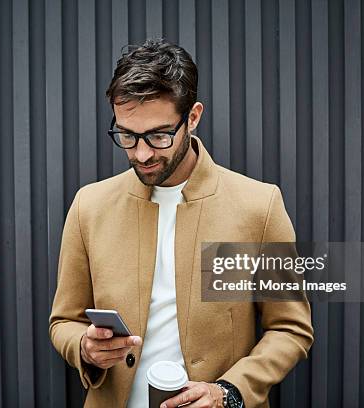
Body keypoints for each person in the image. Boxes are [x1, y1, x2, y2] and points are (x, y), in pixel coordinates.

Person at [49, 38, 313, 408]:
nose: (141, 153)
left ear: (193, 117)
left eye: (158, 135)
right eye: (126, 135)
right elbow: (63, 322)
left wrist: (229, 392)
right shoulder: (88, 206)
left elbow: (290, 328)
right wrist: (85, 347)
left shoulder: (259, 206)